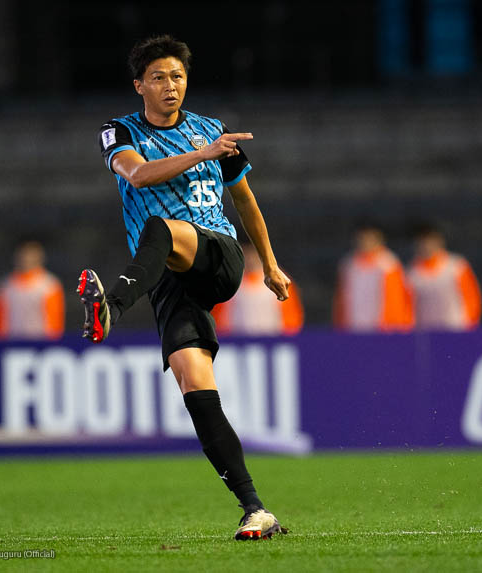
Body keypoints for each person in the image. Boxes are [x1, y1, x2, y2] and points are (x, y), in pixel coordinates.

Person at [78, 35, 289, 540]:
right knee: (194, 383)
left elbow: (245, 200)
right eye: (158, 77)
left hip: (217, 254)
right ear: (139, 86)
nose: (170, 85)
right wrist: (203, 155)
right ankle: (255, 508)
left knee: (160, 227)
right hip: (168, 276)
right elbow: (138, 175)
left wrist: (270, 265)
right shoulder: (119, 131)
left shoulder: (211, 131)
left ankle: (111, 306)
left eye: (177, 76)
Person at [333, 222, 413, 332]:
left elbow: (399, 298)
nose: (365, 242)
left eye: (370, 238)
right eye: (362, 238)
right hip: (354, 326)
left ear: (379, 240)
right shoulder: (348, 265)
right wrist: (340, 325)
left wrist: (398, 325)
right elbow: (341, 299)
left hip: (384, 328)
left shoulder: (389, 263)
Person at [210, 243, 304, 336]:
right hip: (238, 340)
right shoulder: (227, 281)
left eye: (254, 254)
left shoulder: (280, 280)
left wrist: (287, 338)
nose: (250, 259)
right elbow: (218, 319)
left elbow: (292, 320)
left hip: (273, 339)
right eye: (247, 254)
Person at [408, 222, 482, 331]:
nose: (426, 246)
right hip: (426, 331)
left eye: (429, 241)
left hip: (456, 328)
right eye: (422, 242)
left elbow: (471, 298)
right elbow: (408, 307)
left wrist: (469, 325)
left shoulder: (456, 266)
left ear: (439, 241)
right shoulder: (411, 273)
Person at [0, 240, 65, 340]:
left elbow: (55, 319)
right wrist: (0, 341)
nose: (27, 258)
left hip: (41, 340)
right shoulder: (5, 286)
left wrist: (52, 341)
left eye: (31, 255)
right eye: (24, 254)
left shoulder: (49, 285)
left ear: (40, 257)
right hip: (11, 341)